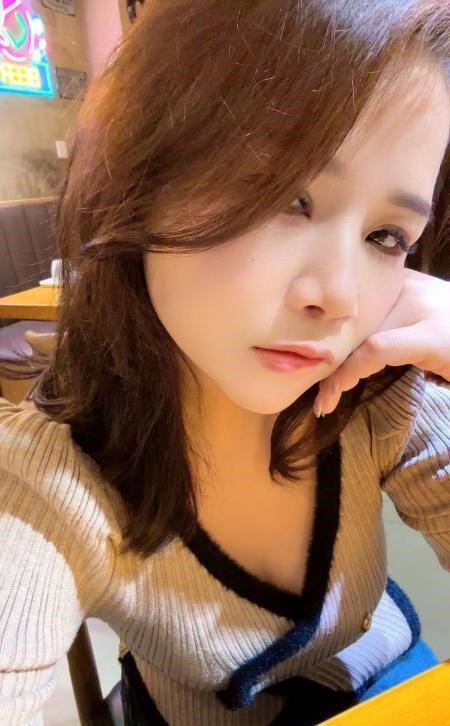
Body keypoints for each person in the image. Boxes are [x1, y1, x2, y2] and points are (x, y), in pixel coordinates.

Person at [0, 1, 449, 724]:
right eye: (286, 197)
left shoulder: (380, 395)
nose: (339, 297)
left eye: (387, 236)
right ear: (138, 178)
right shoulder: (53, 475)